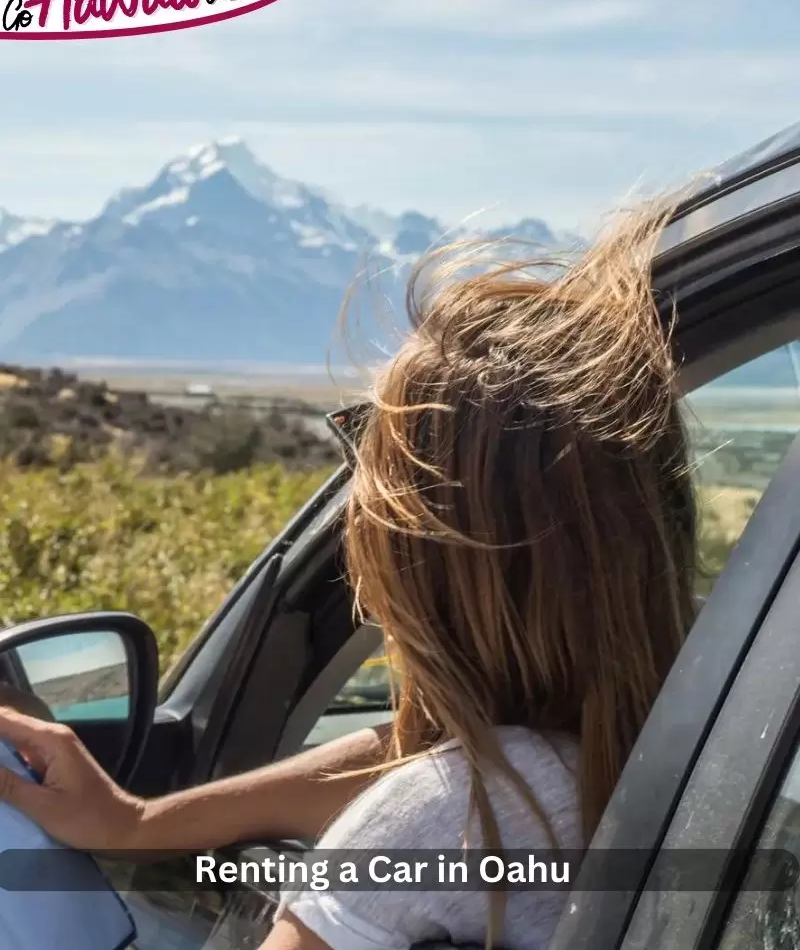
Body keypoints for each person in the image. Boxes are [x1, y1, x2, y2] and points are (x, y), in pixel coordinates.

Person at [0, 198, 699, 950]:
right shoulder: (679, 741)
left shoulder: (448, 819)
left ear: (420, 552)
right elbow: (414, 759)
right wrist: (135, 823)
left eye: (366, 466)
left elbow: (431, 795)